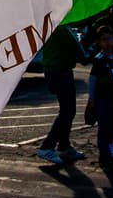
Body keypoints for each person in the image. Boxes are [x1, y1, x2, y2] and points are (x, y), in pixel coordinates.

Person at [35, 24, 88, 165]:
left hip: (53, 72)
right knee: (68, 111)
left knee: (67, 111)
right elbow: (77, 49)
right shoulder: (61, 28)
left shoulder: (50, 26)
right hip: (61, 73)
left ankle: (64, 146)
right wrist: (87, 56)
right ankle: (47, 147)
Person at [85, 25, 113, 173]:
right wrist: (92, 99)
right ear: (99, 42)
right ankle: (104, 158)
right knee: (104, 129)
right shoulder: (100, 60)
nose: (107, 42)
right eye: (104, 39)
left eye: (110, 38)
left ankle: (110, 155)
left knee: (111, 127)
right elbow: (93, 79)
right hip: (103, 99)